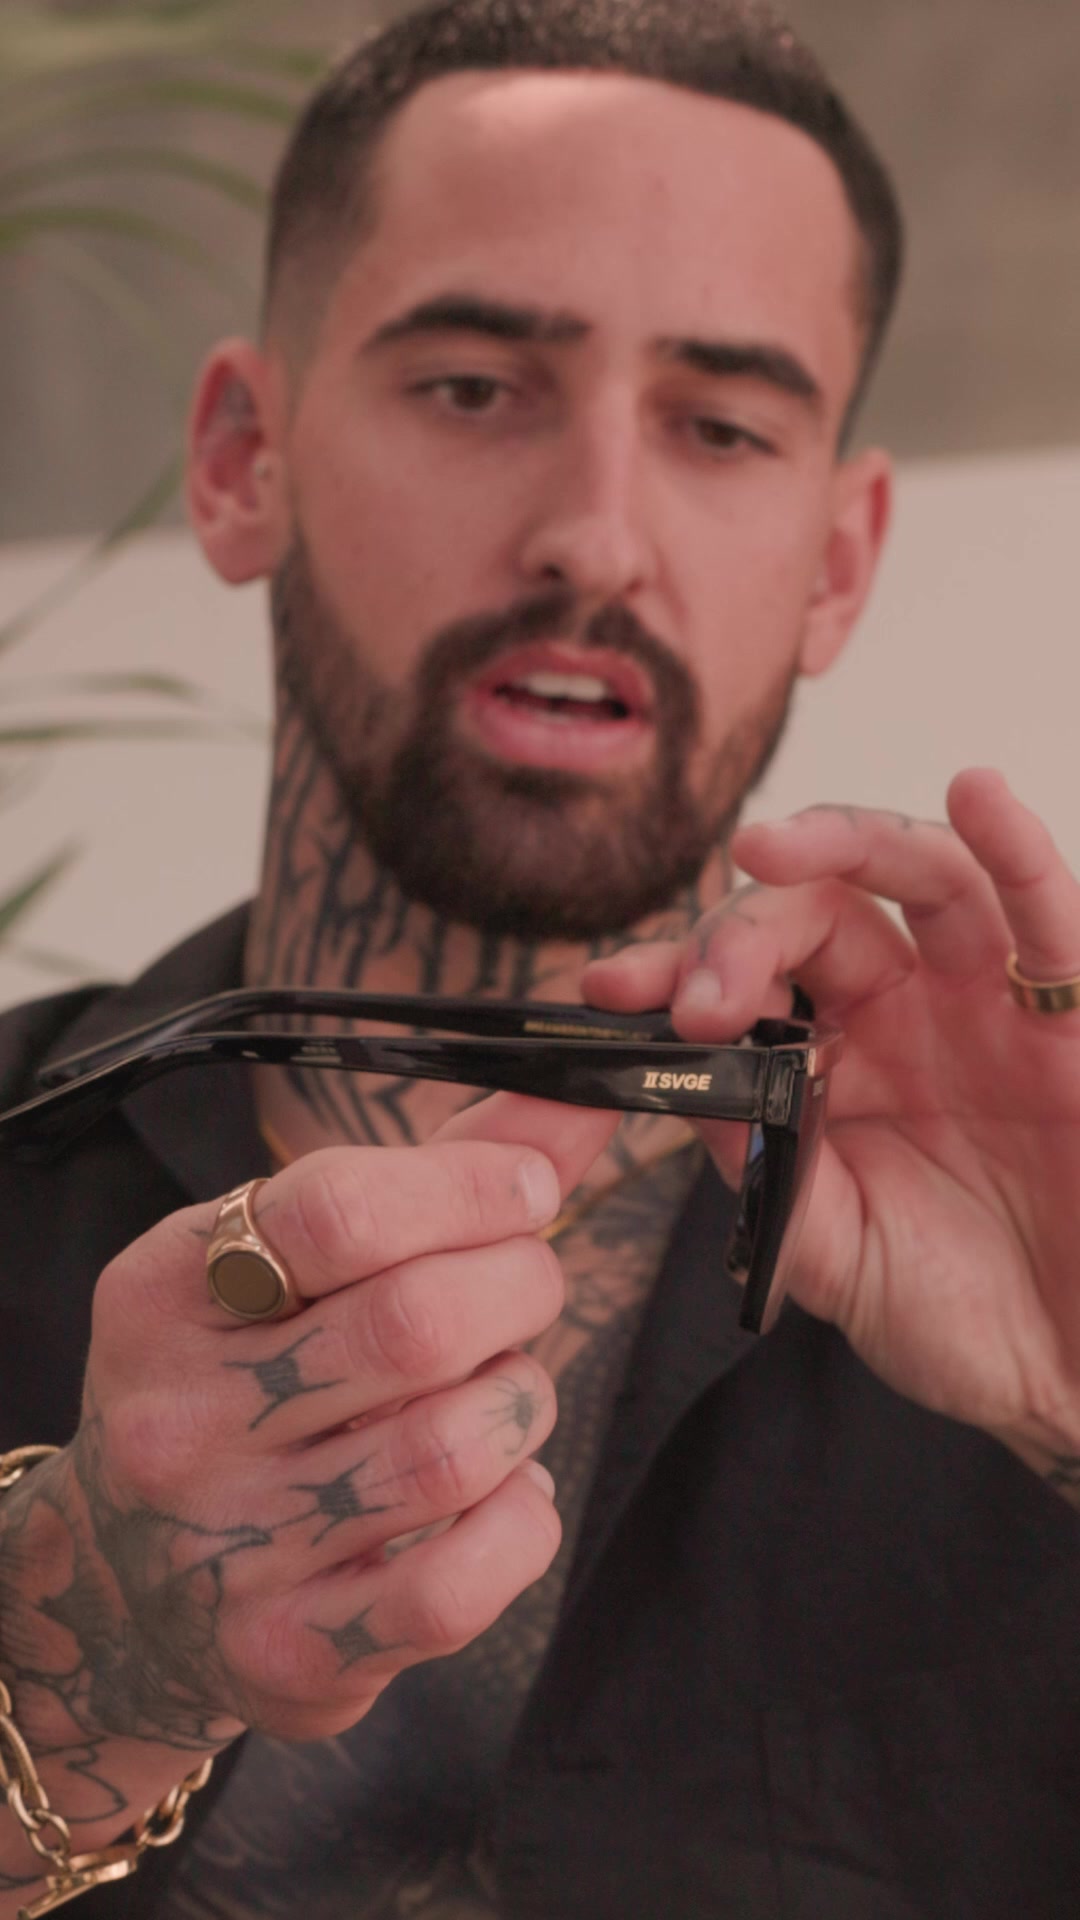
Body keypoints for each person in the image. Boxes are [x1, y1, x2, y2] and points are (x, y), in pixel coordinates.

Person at [2, 1, 1080, 1914]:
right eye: (474, 388)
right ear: (243, 459)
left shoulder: (1037, 1258)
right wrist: (75, 1661)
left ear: (838, 563)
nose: (595, 536)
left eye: (720, 427)